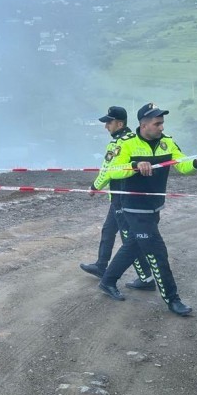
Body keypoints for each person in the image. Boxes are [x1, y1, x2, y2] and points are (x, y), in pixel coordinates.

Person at [96, 102, 197, 317]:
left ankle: (107, 281)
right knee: (158, 251)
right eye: (157, 123)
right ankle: (173, 300)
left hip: (154, 206)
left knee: (134, 245)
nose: (162, 127)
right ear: (144, 125)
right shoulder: (126, 144)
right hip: (133, 208)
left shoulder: (167, 143)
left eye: (162, 123)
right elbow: (112, 172)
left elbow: (182, 165)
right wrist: (135, 167)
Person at [80, 106, 152, 287]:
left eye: (108, 123)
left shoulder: (119, 143)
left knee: (129, 240)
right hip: (122, 197)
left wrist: (94, 187)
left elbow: (108, 171)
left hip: (122, 198)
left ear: (119, 123)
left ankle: (146, 279)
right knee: (108, 230)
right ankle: (101, 265)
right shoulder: (134, 139)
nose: (106, 127)